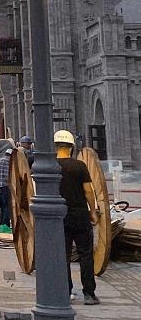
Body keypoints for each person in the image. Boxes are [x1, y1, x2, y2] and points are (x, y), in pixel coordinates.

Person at [55, 129, 100, 304]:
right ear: (71, 147)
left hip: (60, 217)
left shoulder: (50, 167)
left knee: (63, 256)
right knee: (85, 255)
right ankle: (89, 294)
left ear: (55, 147)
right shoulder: (79, 166)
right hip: (80, 215)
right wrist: (93, 211)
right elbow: (88, 191)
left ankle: (66, 291)